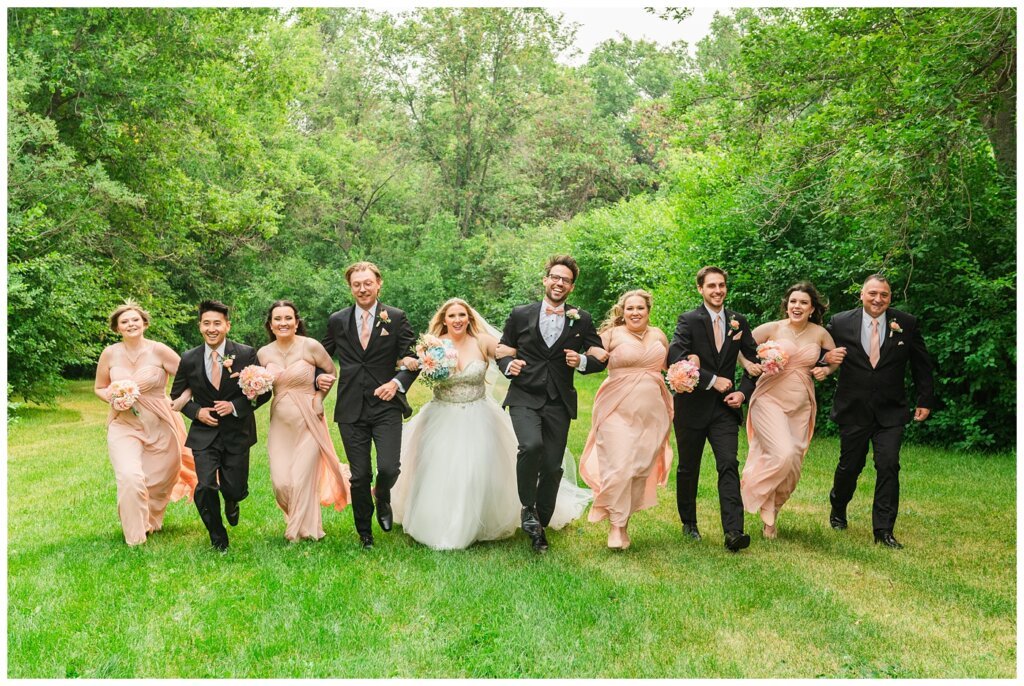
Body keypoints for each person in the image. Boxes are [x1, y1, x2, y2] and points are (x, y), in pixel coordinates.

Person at [391, 298, 591, 550]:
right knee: (438, 469)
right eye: (452, 316)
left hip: (478, 414)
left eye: (462, 315)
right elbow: (410, 364)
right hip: (441, 415)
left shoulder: (482, 341)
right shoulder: (432, 344)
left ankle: (479, 521)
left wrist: (519, 364)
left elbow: (511, 353)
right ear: (444, 319)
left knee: (476, 469)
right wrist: (406, 364)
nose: (457, 320)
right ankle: (438, 522)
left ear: (469, 318)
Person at [497, 255, 607, 552]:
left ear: (571, 287)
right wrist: (509, 365)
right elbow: (503, 348)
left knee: (552, 464)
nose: (559, 283)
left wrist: (582, 359)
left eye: (566, 280)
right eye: (555, 277)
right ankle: (528, 509)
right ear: (546, 279)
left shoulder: (580, 318)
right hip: (524, 395)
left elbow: (600, 353)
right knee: (530, 446)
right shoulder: (521, 314)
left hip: (558, 400)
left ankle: (541, 519)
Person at [822, 274, 935, 549]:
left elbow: (922, 365)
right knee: (851, 467)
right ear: (861, 295)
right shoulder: (839, 322)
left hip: (890, 411)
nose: (878, 299)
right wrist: (823, 360)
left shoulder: (906, 324)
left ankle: (883, 530)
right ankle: (838, 506)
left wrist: (925, 399)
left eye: (884, 295)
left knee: (888, 465)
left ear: (890, 298)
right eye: (872, 293)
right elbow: (819, 352)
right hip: (853, 409)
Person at [316, 262, 419, 549]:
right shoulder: (338, 320)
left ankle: (383, 495)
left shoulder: (395, 318)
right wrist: (318, 377)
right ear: (351, 287)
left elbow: (412, 358)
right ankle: (364, 532)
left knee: (389, 467)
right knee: (359, 475)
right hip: (350, 407)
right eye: (356, 284)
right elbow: (320, 356)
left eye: (367, 283)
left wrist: (396, 382)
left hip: (386, 405)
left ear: (378, 284)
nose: (362, 289)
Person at [667, 266, 759, 552]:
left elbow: (756, 362)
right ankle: (689, 522)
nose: (717, 290)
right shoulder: (689, 320)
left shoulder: (738, 321)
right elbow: (676, 358)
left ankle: (734, 531)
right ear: (700, 289)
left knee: (729, 464)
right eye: (711, 286)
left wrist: (743, 393)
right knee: (688, 467)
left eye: (721, 285)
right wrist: (710, 380)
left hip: (724, 409)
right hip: (691, 407)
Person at [739, 282, 839, 539]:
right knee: (781, 453)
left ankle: (772, 511)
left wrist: (825, 370)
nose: (797, 306)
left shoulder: (820, 334)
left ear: (812, 308)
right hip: (768, 398)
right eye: (793, 301)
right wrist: (750, 365)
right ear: (787, 304)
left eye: (803, 303)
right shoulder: (773, 328)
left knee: (794, 460)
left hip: (801, 402)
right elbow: (739, 344)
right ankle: (751, 491)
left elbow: (834, 358)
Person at [94, 300, 197, 545]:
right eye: (124, 322)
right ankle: (135, 536)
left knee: (159, 479)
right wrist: (113, 396)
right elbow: (99, 387)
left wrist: (181, 401)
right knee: (130, 477)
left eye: (135, 320)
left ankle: (151, 519)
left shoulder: (159, 350)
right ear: (117, 328)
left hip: (160, 421)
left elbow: (191, 379)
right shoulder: (109, 353)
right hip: (123, 423)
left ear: (145, 324)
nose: (130, 325)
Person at [578, 289, 674, 550]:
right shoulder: (610, 335)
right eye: (630, 308)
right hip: (616, 409)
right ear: (622, 311)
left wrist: (684, 376)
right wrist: (582, 359)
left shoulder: (659, 336)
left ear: (648, 310)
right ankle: (616, 527)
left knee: (639, 469)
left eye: (640, 308)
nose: (635, 312)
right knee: (619, 465)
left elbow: (673, 367)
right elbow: (592, 358)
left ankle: (623, 521)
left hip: (653, 413)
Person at [170, 300, 268, 552]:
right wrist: (197, 411)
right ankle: (217, 535)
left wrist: (235, 407)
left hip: (237, 432)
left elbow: (264, 392)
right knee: (204, 486)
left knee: (234, 487)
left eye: (217, 323)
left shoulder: (246, 353)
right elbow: (176, 396)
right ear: (199, 326)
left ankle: (233, 501)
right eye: (206, 323)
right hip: (205, 434)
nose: (211, 328)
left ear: (227, 325)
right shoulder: (189, 358)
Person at [257, 300, 351, 542]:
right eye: (277, 319)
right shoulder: (263, 353)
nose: (283, 323)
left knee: (301, 477)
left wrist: (320, 396)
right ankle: (299, 518)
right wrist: (251, 387)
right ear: (270, 324)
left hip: (309, 418)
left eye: (288, 318)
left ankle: (304, 530)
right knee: (281, 482)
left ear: (297, 322)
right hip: (280, 423)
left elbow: (331, 371)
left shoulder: (311, 347)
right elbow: (259, 386)